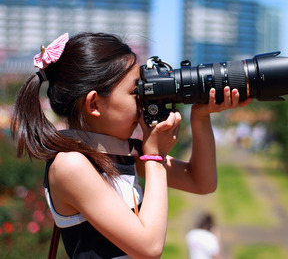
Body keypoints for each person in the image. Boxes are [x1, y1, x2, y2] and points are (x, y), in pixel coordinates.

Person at [11, 32, 250, 259]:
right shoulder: (71, 165)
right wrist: (154, 157)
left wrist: (200, 117)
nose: (144, 100)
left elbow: (202, 182)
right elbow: (149, 247)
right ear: (94, 104)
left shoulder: (122, 153)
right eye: (136, 91)